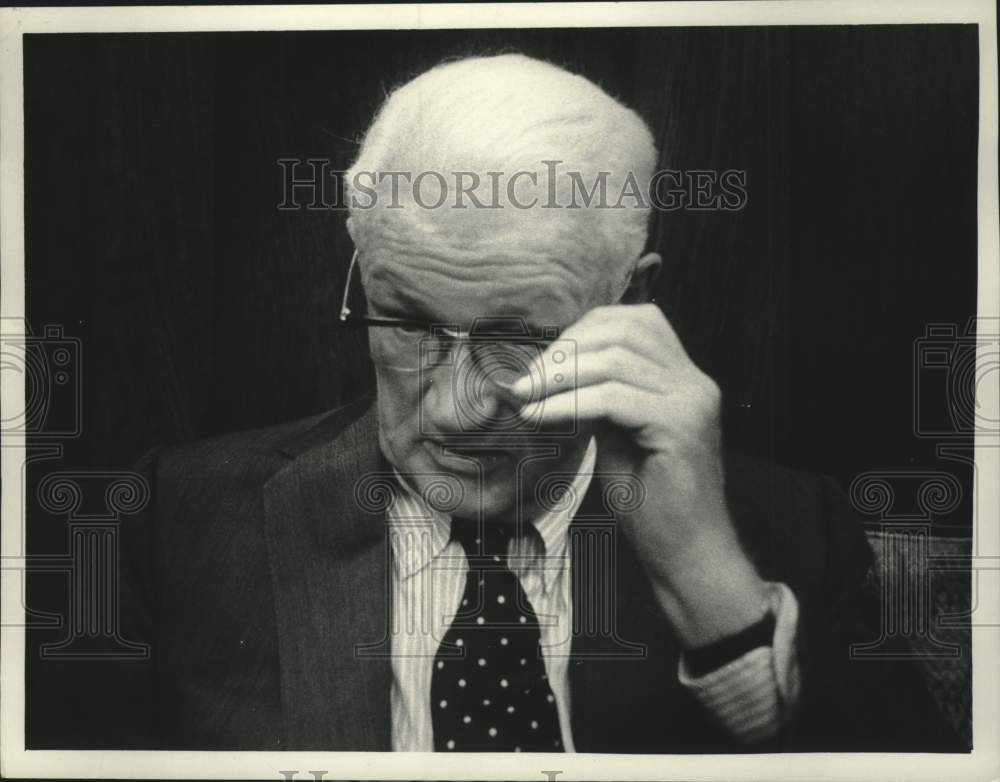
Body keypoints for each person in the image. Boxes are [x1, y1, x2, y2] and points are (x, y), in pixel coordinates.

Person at [108, 53, 958, 752]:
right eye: (406, 322)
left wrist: (707, 583)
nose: (455, 410)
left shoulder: (788, 531)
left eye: (519, 338)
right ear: (360, 275)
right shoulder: (177, 520)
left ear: (629, 304)